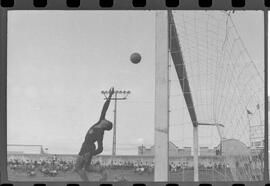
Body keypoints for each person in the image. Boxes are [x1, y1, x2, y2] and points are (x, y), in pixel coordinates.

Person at [75, 87, 114, 181]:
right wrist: (110, 96)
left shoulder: (100, 133)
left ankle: (87, 182)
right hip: (85, 146)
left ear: (106, 126)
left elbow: (100, 148)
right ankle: (102, 171)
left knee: (78, 168)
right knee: (87, 168)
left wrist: (90, 153)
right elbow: (105, 108)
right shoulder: (100, 121)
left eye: (108, 122)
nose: (106, 119)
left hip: (87, 148)